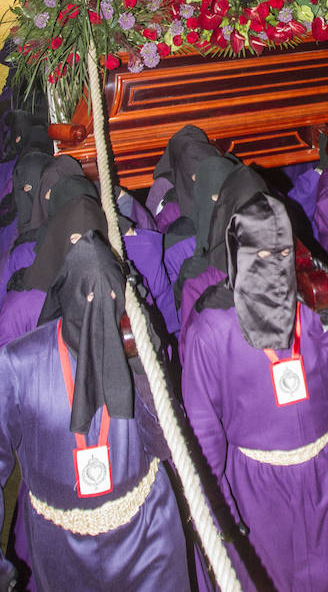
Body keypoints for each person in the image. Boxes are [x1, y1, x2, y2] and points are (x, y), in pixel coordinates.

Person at [181, 191, 328, 591]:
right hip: (258, 482)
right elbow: (204, 431)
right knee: (269, 579)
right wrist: (221, 512)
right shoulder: (212, 329)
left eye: (284, 252)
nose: (276, 265)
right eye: (263, 256)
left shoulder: (312, 299)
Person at [0, 232, 191, 590]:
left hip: (145, 533)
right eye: (89, 297)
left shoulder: (134, 344)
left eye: (111, 296)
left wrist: (144, 370)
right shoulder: (18, 364)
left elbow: (167, 446)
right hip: (63, 546)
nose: (102, 307)